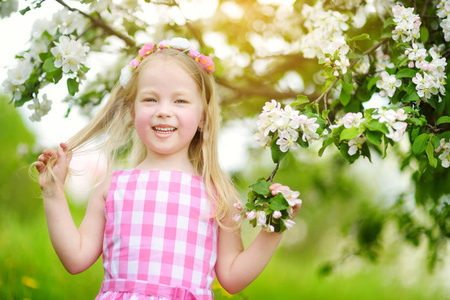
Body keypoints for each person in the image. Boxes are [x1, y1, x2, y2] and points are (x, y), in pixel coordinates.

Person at [35, 37, 301, 300]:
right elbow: (76, 258)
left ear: (203, 118)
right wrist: (53, 193)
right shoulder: (113, 187)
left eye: (180, 101)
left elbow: (232, 278)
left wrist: (272, 229)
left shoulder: (218, 195)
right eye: (150, 99)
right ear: (132, 111)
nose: (163, 111)